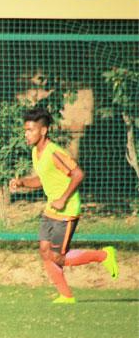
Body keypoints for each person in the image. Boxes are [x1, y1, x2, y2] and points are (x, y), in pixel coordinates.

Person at [9, 107, 118, 304]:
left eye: (30, 130)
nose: (26, 134)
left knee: (57, 257)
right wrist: (23, 182)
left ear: (43, 131)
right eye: (25, 130)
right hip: (51, 209)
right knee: (44, 251)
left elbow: (78, 174)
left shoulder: (54, 152)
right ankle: (66, 296)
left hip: (66, 210)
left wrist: (63, 199)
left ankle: (103, 255)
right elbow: (43, 179)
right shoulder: (36, 152)